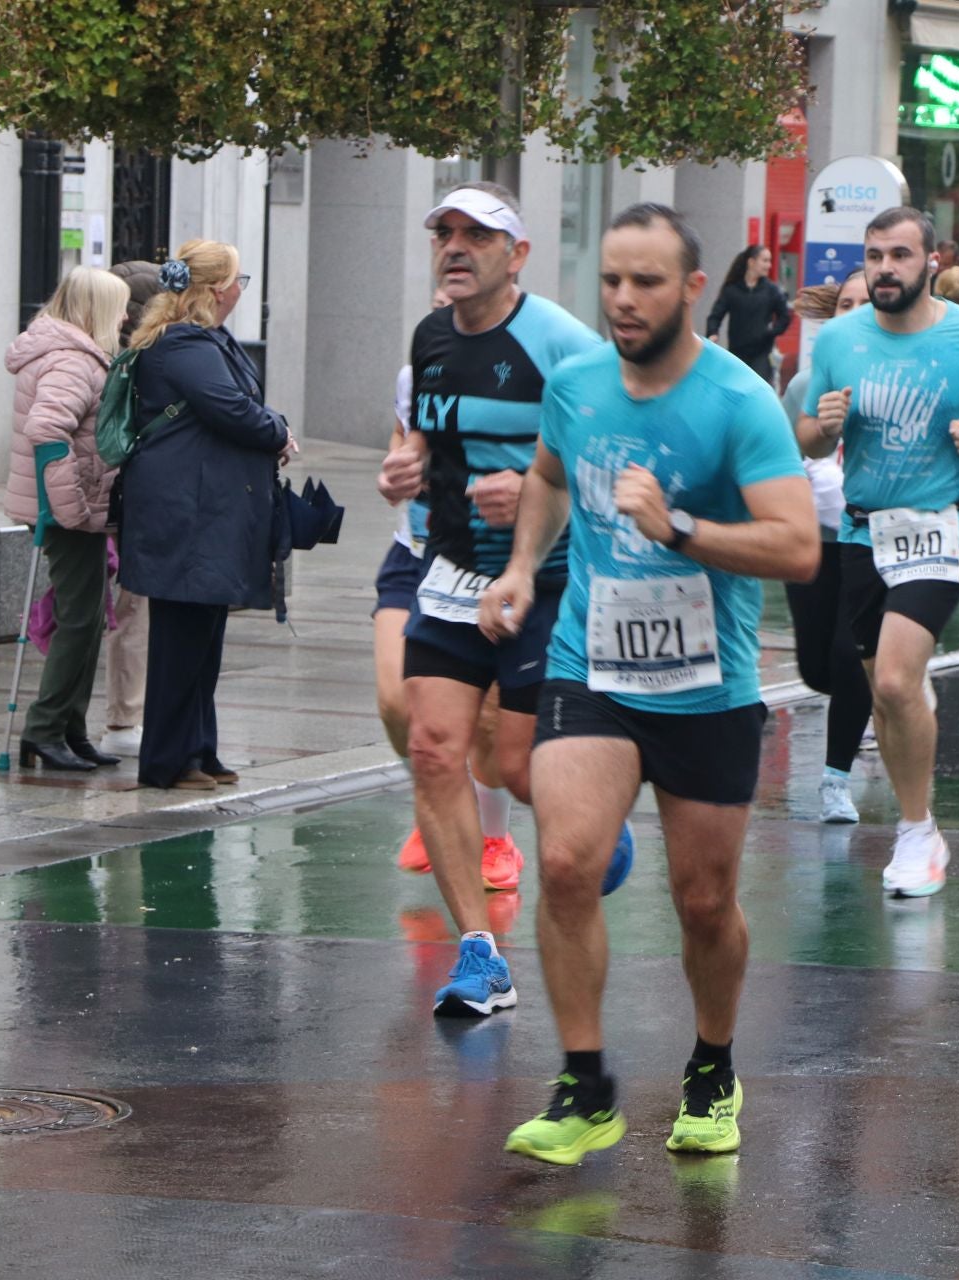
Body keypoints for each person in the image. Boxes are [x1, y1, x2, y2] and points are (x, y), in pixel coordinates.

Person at [484, 203, 818, 1165]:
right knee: (563, 863)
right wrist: (520, 567)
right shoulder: (579, 381)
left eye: (647, 283)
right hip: (591, 665)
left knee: (704, 899)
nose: (625, 301)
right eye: (613, 282)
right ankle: (585, 1086)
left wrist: (681, 529)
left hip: (708, 683)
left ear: (693, 290)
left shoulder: (739, 401)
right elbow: (549, 475)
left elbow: (798, 548)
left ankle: (713, 1066)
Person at [377, 182, 617, 1018]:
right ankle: (479, 953)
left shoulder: (563, 344)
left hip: (544, 580)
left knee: (514, 768)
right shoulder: (430, 337)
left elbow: (616, 461)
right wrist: (399, 470)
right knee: (435, 749)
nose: (454, 246)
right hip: (448, 575)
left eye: (476, 235)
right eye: (443, 230)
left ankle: (601, 831)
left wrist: (538, 492)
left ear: (516, 254)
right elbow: (419, 444)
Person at [797, 207, 959, 899]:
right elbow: (807, 439)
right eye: (874, 256)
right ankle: (920, 826)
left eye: (899, 255)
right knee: (885, 691)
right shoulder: (841, 339)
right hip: (862, 531)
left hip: (943, 529)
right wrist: (824, 426)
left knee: (901, 682)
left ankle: (914, 832)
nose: (884, 268)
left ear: (931, 261)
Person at [116, 240, 295, 790]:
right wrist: (278, 431)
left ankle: (199, 749)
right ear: (219, 291)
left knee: (203, 637)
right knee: (180, 642)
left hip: (204, 510)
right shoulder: (184, 346)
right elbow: (233, 409)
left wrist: (271, 425)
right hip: (184, 516)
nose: (243, 290)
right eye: (240, 281)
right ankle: (168, 761)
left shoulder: (204, 340)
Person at [375, 287, 520, 880]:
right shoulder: (419, 371)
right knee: (393, 701)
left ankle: (493, 836)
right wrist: (397, 474)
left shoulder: (519, 373)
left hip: (480, 559)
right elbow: (403, 444)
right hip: (414, 553)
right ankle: (442, 800)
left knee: (487, 719)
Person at [4, 266, 133, 771]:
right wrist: (72, 508)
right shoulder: (73, 362)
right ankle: (44, 729)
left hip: (73, 510)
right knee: (79, 621)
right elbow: (47, 431)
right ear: (96, 309)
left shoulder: (73, 354)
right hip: (69, 514)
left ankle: (68, 728)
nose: (125, 315)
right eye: (119, 305)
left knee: (86, 617)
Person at [781, 271, 875, 823]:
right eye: (845, 303)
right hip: (814, 539)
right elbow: (777, 453)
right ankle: (877, 689)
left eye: (864, 303)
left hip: (872, 539)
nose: (854, 312)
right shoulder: (804, 384)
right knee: (818, 668)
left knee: (850, 655)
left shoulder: (900, 377)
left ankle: (835, 778)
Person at [95, 261, 163, 758]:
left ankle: (126, 715)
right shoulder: (133, 359)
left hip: (109, 494)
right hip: (125, 495)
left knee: (125, 606)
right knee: (133, 606)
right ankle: (125, 716)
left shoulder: (106, 352)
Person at [703, 244, 791, 385]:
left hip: (762, 354)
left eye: (770, 261)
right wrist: (713, 333)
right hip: (737, 354)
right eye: (765, 260)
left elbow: (785, 316)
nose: (769, 265)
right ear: (751, 262)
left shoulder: (771, 290)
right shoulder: (731, 290)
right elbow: (715, 316)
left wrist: (771, 332)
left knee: (757, 389)